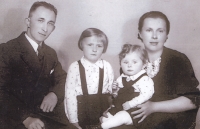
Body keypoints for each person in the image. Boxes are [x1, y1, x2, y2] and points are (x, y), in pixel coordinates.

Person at [0, 1, 72, 129]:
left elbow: (64, 79)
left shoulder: (50, 53)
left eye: (50, 23)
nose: (45, 28)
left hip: (45, 115)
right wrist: (26, 118)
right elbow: (1, 92)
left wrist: (54, 94)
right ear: (28, 21)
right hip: (15, 118)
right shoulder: (7, 50)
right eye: (40, 20)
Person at [64, 28, 114, 129]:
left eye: (99, 46)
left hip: (103, 113)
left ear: (104, 48)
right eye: (90, 45)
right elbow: (70, 95)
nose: (94, 49)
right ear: (82, 45)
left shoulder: (107, 66)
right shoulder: (74, 67)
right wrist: (73, 120)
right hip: (81, 114)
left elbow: (112, 93)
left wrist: (111, 112)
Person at [100, 44, 154, 129]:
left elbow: (147, 94)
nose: (129, 65)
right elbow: (116, 95)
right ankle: (105, 124)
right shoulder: (122, 78)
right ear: (120, 64)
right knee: (105, 118)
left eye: (134, 62)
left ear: (144, 64)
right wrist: (114, 89)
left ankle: (102, 127)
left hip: (134, 110)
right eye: (125, 62)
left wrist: (131, 103)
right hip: (119, 107)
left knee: (122, 116)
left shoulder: (145, 79)